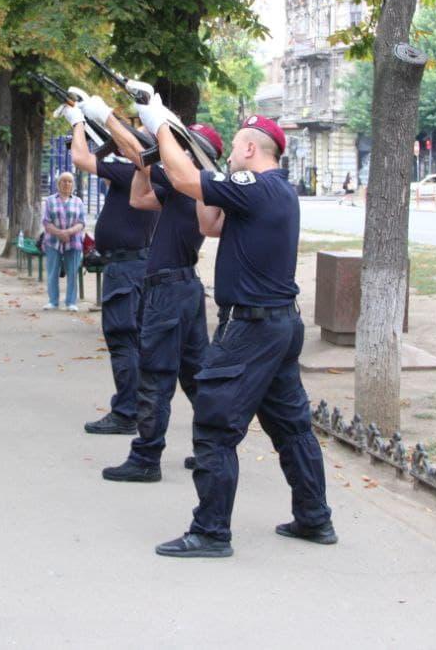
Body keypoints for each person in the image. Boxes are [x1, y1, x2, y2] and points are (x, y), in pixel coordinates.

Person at [137, 103, 334, 558]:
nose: (229, 159)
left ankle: (210, 533)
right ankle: (314, 518)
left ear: (248, 147)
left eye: (233, 150)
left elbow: (186, 182)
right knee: (291, 428)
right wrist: (197, 160)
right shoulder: (269, 191)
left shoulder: (257, 187)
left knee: (214, 425)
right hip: (277, 325)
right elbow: (209, 222)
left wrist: (161, 125)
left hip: (251, 329)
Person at [80, 89, 221, 481]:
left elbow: (138, 149)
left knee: (155, 376)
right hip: (182, 289)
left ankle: (146, 458)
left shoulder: (192, 181)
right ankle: (210, 449)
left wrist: (107, 116)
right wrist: (145, 163)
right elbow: (141, 199)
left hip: (169, 291)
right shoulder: (188, 184)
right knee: (196, 377)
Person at [58, 103, 158, 436]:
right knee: (134, 341)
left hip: (125, 267)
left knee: (122, 340)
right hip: (135, 264)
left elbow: (81, 159)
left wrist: (78, 122)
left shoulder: (131, 169)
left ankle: (127, 412)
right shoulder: (142, 170)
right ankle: (140, 409)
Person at [41, 172, 86, 311]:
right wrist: (60, 233)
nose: (67, 184)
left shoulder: (78, 201)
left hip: (73, 242)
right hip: (53, 242)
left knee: (72, 272)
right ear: (58, 184)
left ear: (73, 184)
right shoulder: (49, 201)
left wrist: (68, 232)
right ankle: (53, 301)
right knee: (52, 272)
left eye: (69, 181)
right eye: (64, 181)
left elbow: (81, 222)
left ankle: (71, 302)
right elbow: (46, 222)